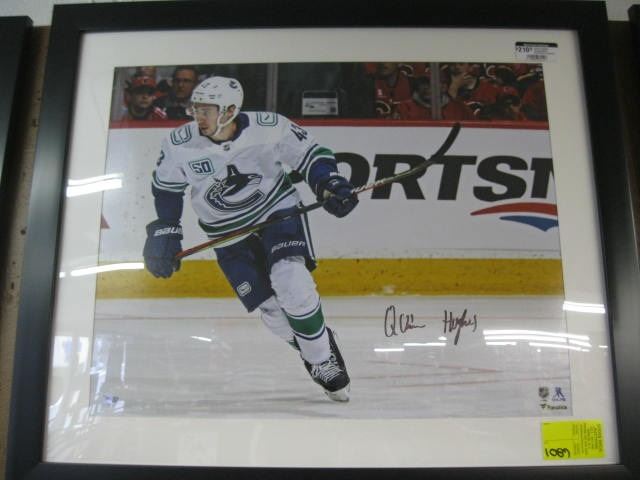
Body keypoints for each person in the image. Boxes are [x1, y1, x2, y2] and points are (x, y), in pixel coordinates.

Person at [143, 76, 359, 402]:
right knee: (271, 310)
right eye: (196, 108)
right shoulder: (179, 143)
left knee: (292, 281)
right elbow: (166, 188)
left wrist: (329, 183)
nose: (198, 116)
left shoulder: (269, 127)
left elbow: (311, 155)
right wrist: (165, 229)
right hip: (225, 230)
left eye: (206, 110)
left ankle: (320, 359)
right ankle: (317, 341)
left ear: (229, 111)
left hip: (276, 212)